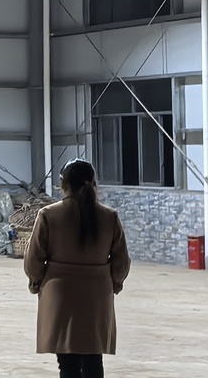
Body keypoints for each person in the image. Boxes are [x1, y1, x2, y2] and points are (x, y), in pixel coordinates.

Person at [25, 159, 131, 378]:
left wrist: (35, 283)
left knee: (67, 362)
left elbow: (34, 258)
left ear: (63, 183)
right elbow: (121, 260)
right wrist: (115, 283)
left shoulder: (48, 214)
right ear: (94, 183)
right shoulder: (109, 216)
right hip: (97, 293)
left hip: (59, 292)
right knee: (93, 358)